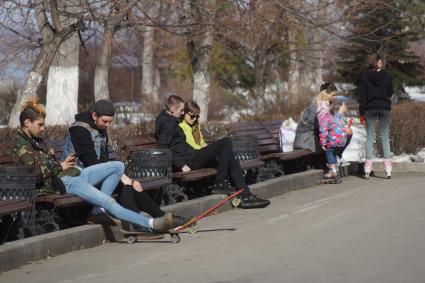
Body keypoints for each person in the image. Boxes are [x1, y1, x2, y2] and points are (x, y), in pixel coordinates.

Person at [11, 97, 178, 233]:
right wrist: (59, 166)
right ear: (27, 123)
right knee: (109, 201)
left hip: (73, 173)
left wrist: (60, 165)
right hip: (64, 183)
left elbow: (52, 163)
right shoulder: (21, 145)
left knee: (118, 166)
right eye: (40, 125)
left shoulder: (38, 140)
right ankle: (150, 223)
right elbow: (35, 173)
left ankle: (98, 211)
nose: (43, 129)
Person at [62, 99, 189, 229]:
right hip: (78, 175)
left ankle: (161, 217)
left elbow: (104, 159)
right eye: (105, 121)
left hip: (96, 173)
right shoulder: (79, 129)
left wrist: (128, 179)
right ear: (94, 115)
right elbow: (91, 161)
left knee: (129, 185)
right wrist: (124, 177)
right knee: (125, 184)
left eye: (110, 122)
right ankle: (142, 225)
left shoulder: (100, 127)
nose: (108, 125)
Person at [155, 95, 270, 209]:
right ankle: (221, 183)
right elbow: (163, 148)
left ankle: (246, 196)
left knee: (230, 157)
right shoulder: (167, 124)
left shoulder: (170, 121)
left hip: (191, 155)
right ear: (173, 109)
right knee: (226, 142)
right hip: (189, 160)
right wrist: (181, 164)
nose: (182, 112)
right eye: (181, 110)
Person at [359, 53, 393, 179]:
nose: (382, 63)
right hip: (384, 108)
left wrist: (361, 113)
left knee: (370, 137)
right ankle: (388, 167)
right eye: (380, 61)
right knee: (384, 136)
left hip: (370, 109)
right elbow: (390, 92)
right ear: (377, 63)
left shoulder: (365, 76)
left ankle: (367, 167)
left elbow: (362, 97)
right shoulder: (386, 76)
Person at [293, 82, 338, 170]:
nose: (335, 98)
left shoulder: (326, 106)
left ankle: (331, 164)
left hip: (315, 137)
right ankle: (329, 165)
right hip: (306, 140)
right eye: (333, 95)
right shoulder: (316, 108)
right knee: (331, 140)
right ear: (326, 95)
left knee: (341, 137)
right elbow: (322, 127)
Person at [317, 92, 353, 182]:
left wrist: (323, 143)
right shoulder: (330, 116)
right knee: (332, 153)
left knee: (329, 153)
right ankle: (334, 171)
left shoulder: (322, 115)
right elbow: (336, 126)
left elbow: (323, 130)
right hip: (341, 139)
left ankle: (334, 173)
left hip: (334, 140)